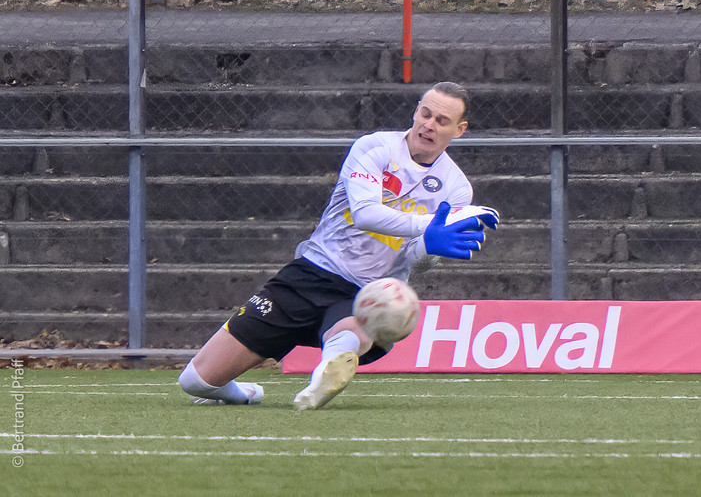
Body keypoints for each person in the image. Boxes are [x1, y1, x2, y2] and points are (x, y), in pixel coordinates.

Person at [178, 81, 499, 409]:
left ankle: (326, 375)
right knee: (196, 382)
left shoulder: (456, 189)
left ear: (459, 130)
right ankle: (245, 394)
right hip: (312, 273)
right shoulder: (375, 147)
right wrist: (429, 226)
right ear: (416, 111)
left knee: (354, 324)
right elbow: (365, 214)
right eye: (426, 114)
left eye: (442, 121)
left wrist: (429, 248)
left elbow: (415, 258)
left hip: (368, 292)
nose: (429, 125)